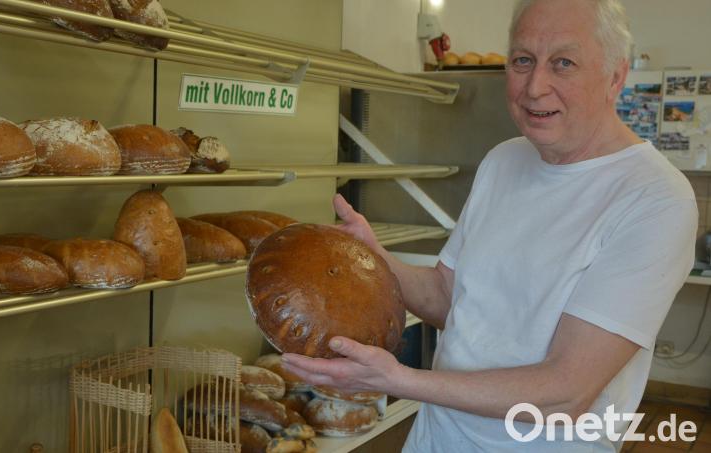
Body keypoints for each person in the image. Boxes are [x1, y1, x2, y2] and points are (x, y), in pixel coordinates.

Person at [281, 0, 697, 451]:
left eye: (564, 63)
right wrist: (375, 259)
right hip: (435, 438)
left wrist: (401, 379)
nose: (536, 87)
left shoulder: (653, 197)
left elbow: (567, 393)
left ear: (615, 76)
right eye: (522, 60)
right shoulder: (505, 159)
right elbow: (448, 298)